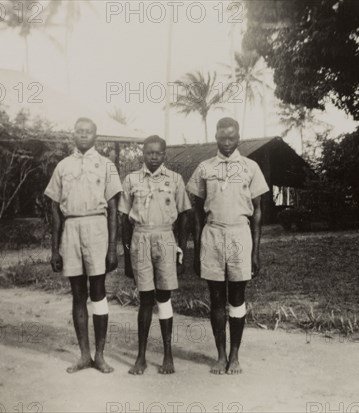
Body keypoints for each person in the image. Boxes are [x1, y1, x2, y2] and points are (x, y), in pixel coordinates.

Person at [187, 117, 269, 375]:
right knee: (216, 299)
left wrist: (255, 252)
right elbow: (196, 212)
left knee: (236, 298)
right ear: (216, 137)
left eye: (231, 137)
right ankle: (220, 355)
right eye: (222, 137)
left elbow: (257, 212)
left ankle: (235, 355)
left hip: (239, 235)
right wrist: (199, 246)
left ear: (238, 137)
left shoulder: (250, 167)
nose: (227, 141)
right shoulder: (204, 167)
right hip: (212, 234)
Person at [44, 117, 122, 374]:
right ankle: (84, 355)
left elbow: (113, 209)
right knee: (78, 294)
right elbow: (54, 209)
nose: (84, 135)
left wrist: (113, 248)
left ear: (96, 136)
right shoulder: (63, 166)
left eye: (88, 132)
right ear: (73, 135)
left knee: (98, 291)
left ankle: (100, 355)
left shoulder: (106, 165)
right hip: (72, 229)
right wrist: (55, 249)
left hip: (97, 229)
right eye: (79, 131)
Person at [119, 135, 191, 375]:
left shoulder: (175, 179)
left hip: (166, 238)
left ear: (164, 154)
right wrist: (127, 251)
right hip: (140, 237)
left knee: (164, 297)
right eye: (149, 152)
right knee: (145, 298)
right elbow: (124, 219)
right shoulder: (131, 179)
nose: (153, 157)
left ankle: (168, 355)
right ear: (143, 153)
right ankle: (141, 356)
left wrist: (180, 249)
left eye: (158, 153)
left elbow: (184, 216)